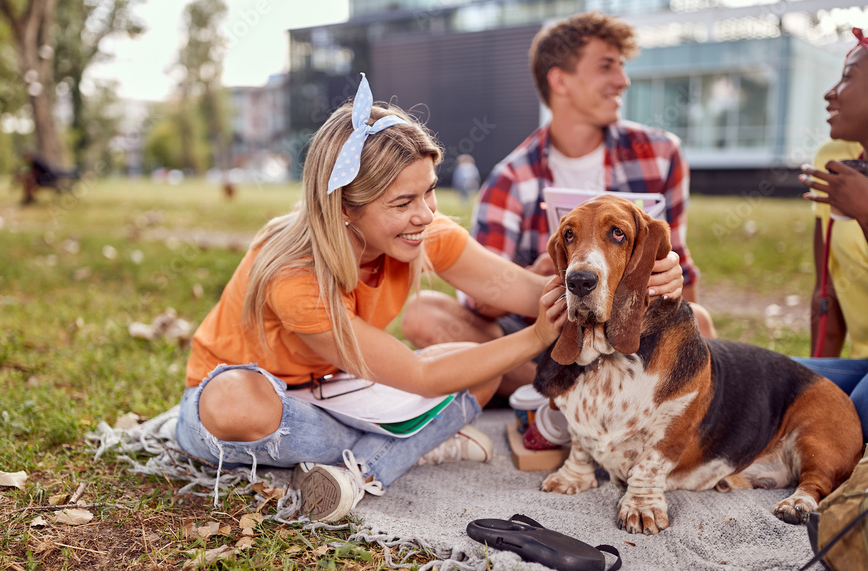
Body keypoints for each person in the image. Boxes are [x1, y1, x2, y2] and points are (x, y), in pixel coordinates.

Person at [173, 74, 684, 523]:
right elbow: (419, 378)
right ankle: (394, 453)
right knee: (238, 399)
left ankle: (370, 462)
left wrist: (631, 287)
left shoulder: (419, 231)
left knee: (476, 364)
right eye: (403, 202)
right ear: (345, 209)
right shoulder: (293, 274)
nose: (426, 214)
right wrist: (535, 336)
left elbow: (518, 289)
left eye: (429, 192)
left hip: (342, 390)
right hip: (267, 407)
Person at [401, 11, 714, 400]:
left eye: (621, 67)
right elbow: (478, 301)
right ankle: (586, 390)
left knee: (699, 321)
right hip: (547, 330)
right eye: (607, 66)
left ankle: (558, 391)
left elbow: (679, 258)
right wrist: (537, 275)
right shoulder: (511, 179)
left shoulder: (660, 153)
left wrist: (673, 284)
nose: (623, 80)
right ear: (560, 80)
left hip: (629, 324)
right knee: (424, 313)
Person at [797, 28, 868, 442]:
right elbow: (826, 290)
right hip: (860, 364)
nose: (831, 93)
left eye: (848, 77)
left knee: (859, 408)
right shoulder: (833, 160)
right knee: (763, 379)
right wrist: (807, 388)